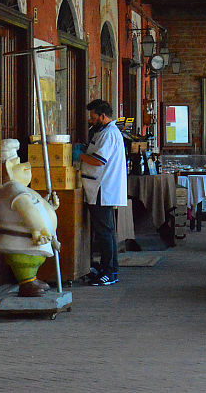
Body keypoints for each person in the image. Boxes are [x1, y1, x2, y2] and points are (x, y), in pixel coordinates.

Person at [0, 138, 59, 297]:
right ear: (8, 169)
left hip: (31, 240)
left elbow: (34, 206)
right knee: (25, 260)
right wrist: (38, 229)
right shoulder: (13, 189)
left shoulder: (19, 188)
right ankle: (27, 282)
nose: (25, 166)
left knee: (30, 261)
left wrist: (48, 207)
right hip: (22, 239)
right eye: (18, 164)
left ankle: (31, 279)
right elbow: (27, 209)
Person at [79, 99, 127, 286]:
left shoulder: (109, 134)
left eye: (93, 117)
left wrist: (79, 156)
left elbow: (99, 160)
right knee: (105, 231)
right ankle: (108, 268)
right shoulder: (102, 132)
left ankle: (109, 272)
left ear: (103, 116)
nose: (91, 120)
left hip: (102, 188)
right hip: (99, 187)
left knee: (105, 233)